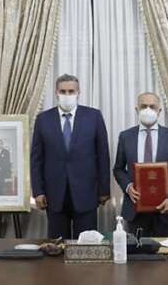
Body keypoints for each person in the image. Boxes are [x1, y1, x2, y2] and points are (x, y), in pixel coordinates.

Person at [30, 74, 110, 239]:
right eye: (63, 91)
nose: (67, 95)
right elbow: (36, 159)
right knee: (57, 246)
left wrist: (104, 190)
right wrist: (38, 191)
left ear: (78, 92)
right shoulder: (43, 119)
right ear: (56, 93)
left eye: (71, 91)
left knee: (86, 245)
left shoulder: (93, 116)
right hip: (54, 195)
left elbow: (103, 155)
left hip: (86, 193)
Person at [113, 92, 168, 237]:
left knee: (165, 250)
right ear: (137, 109)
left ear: (159, 110)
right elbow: (118, 169)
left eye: (152, 106)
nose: (148, 110)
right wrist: (128, 187)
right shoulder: (125, 136)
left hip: (165, 209)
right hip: (135, 209)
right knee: (136, 250)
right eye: (144, 106)